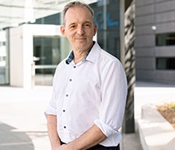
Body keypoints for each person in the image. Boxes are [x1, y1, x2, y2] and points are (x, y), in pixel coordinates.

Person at [45, 1, 127, 150]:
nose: (80, 31)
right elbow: (52, 111)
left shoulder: (110, 66)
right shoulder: (62, 68)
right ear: (63, 31)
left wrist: (67, 149)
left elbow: (107, 125)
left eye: (86, 25)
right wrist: (56, 146)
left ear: (94, 29)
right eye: (73, 26)